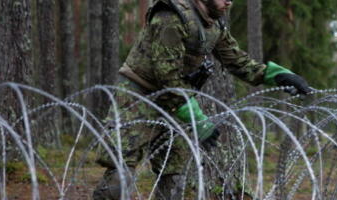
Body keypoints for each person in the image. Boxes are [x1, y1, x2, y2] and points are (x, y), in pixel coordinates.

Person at [91, 0, 312, 199]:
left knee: (173, 179)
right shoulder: (171, 16)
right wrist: (197, 118)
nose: (229, 2)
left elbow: (239, 62)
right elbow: (165, 73)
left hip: (175, 104)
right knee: (118, 183)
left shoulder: (214, 25)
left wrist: (278, 76)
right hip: (139, 97)